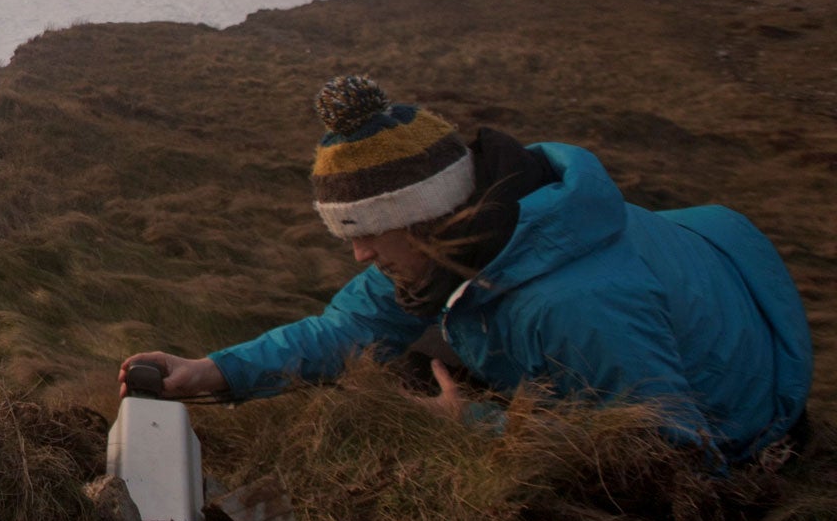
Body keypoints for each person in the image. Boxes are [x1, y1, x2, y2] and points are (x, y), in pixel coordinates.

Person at [120, 76, 813, 466]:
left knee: (432, 378)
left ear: (427, 217)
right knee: (405, 354)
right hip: (679, 295)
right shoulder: (480, 228)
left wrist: (476, 425)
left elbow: (675, 455)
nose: (359, 254)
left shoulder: (567, 306)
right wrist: (213, 370)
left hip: (733, 418)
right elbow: (353, 326)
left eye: (369, 233)